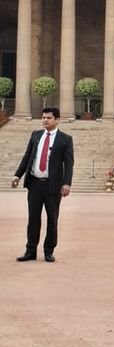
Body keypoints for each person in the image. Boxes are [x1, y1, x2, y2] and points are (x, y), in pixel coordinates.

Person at [11, 107, 74, 263]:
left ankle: (48, 251)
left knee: (52, 219)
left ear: (57, 119)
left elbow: (69, 163)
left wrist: (67, 183)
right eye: (43, 117)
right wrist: (17, 175)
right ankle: (30, 250)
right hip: (34, 184)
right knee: (33, 218)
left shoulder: (65, 139)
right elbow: (28, 157)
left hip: (53, 186)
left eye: (49, 118)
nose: (45, 120)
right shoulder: (36, 136)